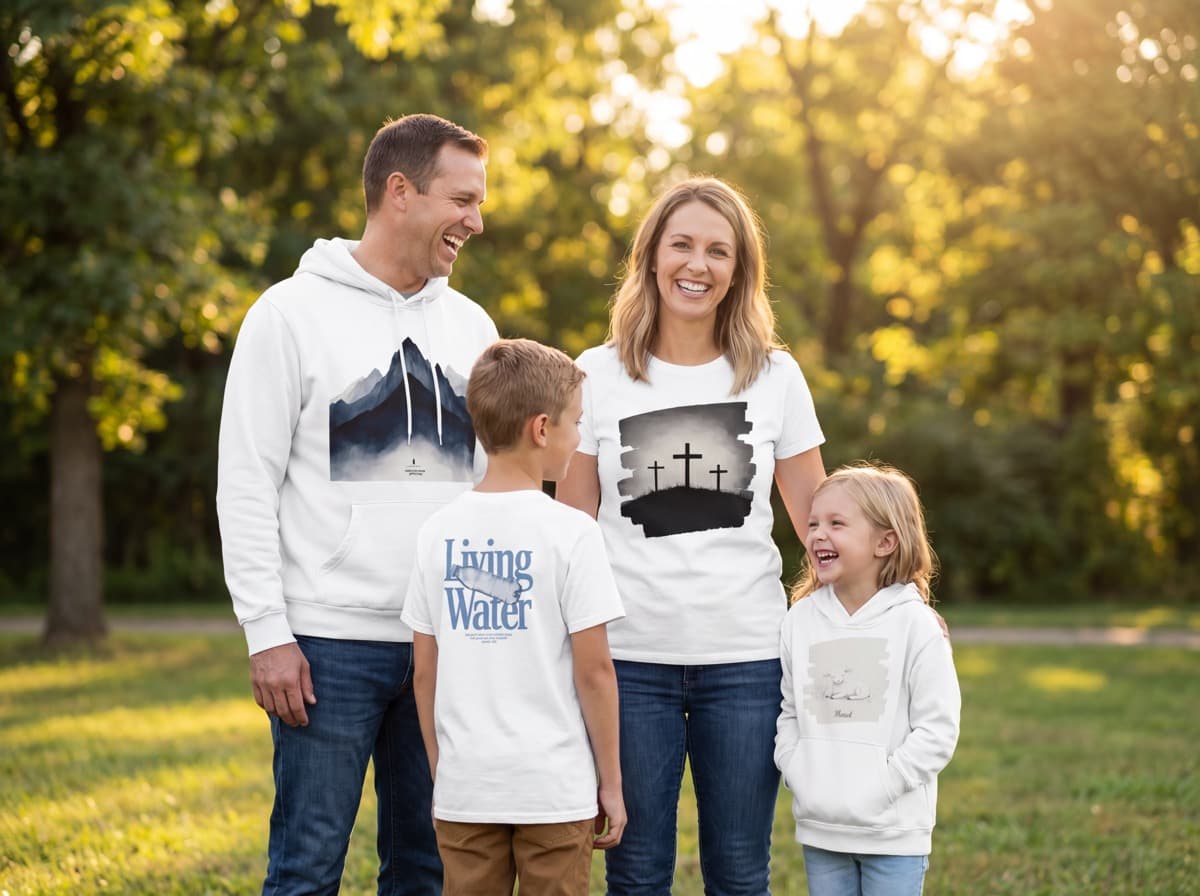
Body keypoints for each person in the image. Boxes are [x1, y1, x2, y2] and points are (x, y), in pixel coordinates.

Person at [216, 113, 497, 895]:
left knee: (428, 866)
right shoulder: (287, 315)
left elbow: (493, 487)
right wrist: (267, 633)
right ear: (400, 192)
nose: (475, 221)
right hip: (327, 646)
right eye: (463, 199)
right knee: (307, 867)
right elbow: (245, 481)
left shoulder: (472, 327)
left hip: (443, 641)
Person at [556, 176, 827, 895]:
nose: (697, 265)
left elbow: (818, 524)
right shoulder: (596, 373)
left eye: (718, 250)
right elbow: (572, 532)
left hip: (745, 663)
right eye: (682, 245)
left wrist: (883, 612)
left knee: (739, 875)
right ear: (651, 256)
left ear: (739, 270)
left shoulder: (775, 376)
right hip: (627, 665)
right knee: (636, 874)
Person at [401, 338, 627, 895]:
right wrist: (612, 783)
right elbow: (595, 671)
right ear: (542, 429)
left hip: (465, 788)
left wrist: (441, 771)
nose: (580, 438)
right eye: (577, 423)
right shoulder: (574, 533)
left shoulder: (437, 533)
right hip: (554, 790)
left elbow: (424, 671)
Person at [775, 463, 961, 896]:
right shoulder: (800, 620)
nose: (819, 534)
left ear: (885, 542)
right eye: (814, 523)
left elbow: (938, 730)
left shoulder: (916, 625)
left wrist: (882, 787)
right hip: (822, 830)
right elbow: (788, 712)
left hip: (893, 833)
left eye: (837, 524)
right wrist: (798, 770)